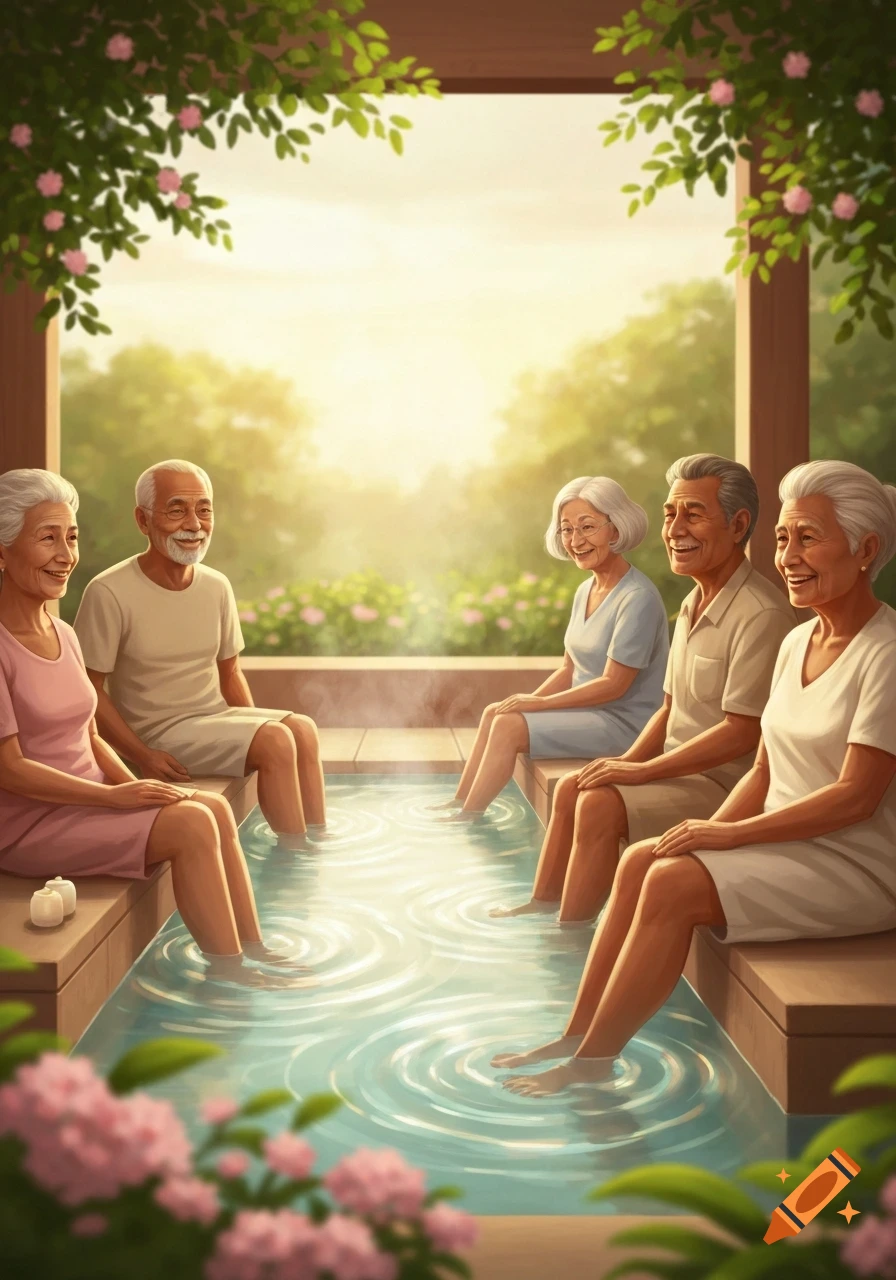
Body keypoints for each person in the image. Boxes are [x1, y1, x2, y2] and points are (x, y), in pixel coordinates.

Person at [494, 459, 896, 1095]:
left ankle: (591, 1064)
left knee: (674, 881)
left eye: (808, 538)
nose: (788, 555)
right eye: (785, 538)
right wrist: (710, 827)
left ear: (867, 549)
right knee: (643, 860)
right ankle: (578, 1032)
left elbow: (855, 796)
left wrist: (730, 837)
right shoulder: (799, 643)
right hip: (785, 841)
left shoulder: (886, 654)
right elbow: (765, 766)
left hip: (854, 863)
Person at [0, 469, 303, 986]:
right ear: (3, 550)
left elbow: (89, 736)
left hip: (89, 799)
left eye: (72, 537)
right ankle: (229, 974)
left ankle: (254, 945)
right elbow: (11, 770)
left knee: (205, 805)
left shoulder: (64, 633)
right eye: (47, 537)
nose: (66, 554)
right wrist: (114, 800)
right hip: (31, 824)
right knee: (189, 825)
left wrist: (134, 787)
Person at [490, 453, 796, 920]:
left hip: (722, 785)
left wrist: (642, 773)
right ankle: (543, 904)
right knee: (575, 785)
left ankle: (569, 934)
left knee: (596, 804)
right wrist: (627, 762)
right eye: (670, 515)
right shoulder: (694, 601)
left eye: (693, 515)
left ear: (738, 525)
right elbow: (670, 708)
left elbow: (742, 734)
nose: (674, 530)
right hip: (674, 769)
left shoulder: (762, 613)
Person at [73, 459, 325, 850]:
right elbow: (88, 692)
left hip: (212, 720)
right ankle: (295, 858)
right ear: (143, 520)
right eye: (177, 510)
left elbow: (230, 675)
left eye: (203, 510)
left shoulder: (216, 586)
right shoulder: (109, 592)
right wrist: (142, 755)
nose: (194, 524)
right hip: (158, 735)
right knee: (276, 740)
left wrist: (252, 733)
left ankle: (319, 841)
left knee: (301, 731)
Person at [432, 476, 669, 819]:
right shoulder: (585, 590)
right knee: (496, 713)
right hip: (589, 713)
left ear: (615, 530)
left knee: (509, 727)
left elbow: (614, 684)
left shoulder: (638, 598)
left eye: (587, 527)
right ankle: (459, 801)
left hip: (625, 724)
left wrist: (538, 704)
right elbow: (569, 670)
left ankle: (469, 817)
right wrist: (526, 704)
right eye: (567, 530)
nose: (576, 540)